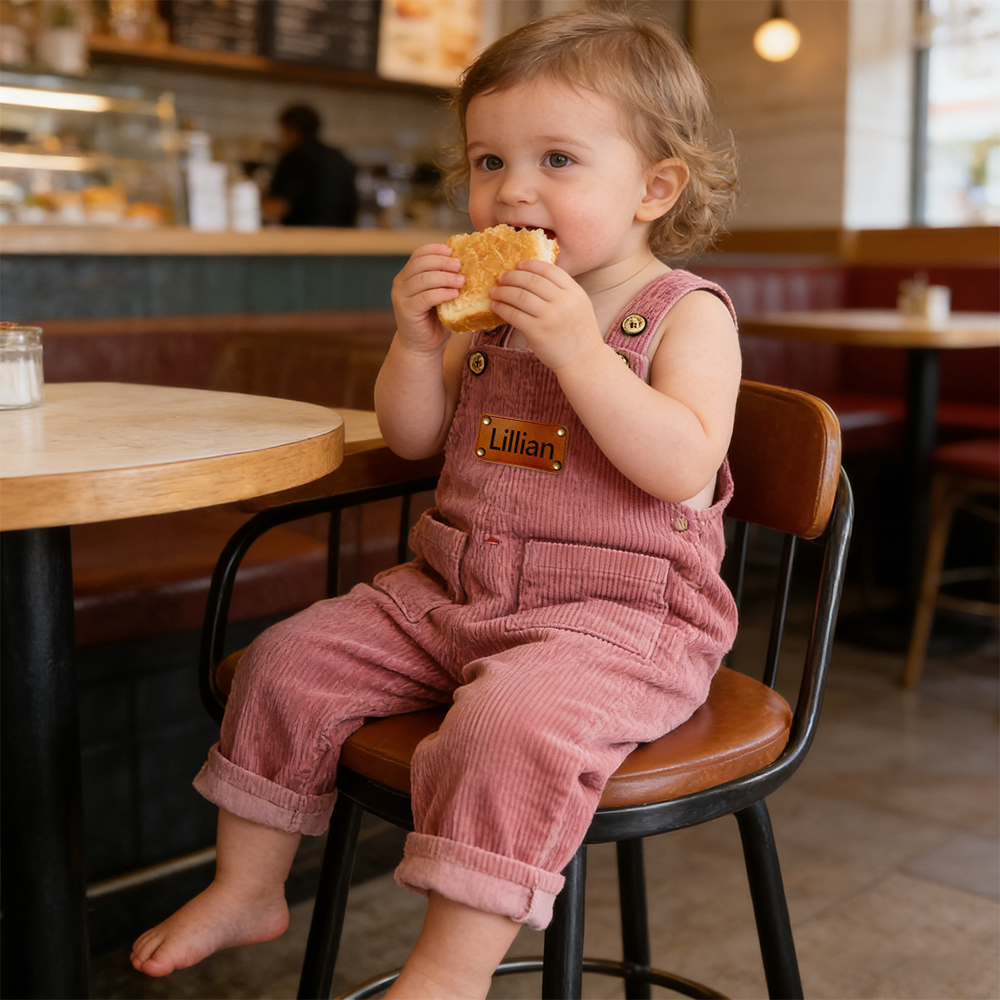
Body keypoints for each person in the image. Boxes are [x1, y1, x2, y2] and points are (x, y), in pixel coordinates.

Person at [131, 8, 740, 998]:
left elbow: (679, 463)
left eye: (556, 158)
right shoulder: (491, 310)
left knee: (505, 731)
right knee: (286, 661)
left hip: (617, 618)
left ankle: (448, 972)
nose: (513, 188)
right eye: (488, 161)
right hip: (449, 588)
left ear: (654, 188)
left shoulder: (682, 314)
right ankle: (246, 887)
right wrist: (414, 342)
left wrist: (582, 353)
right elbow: (413, 437)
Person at [262, 103, 358, 227]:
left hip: (306, 239)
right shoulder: (339, 156)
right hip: (345, 239)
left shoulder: (295, 156)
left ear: (290, 129)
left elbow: (277, 208)